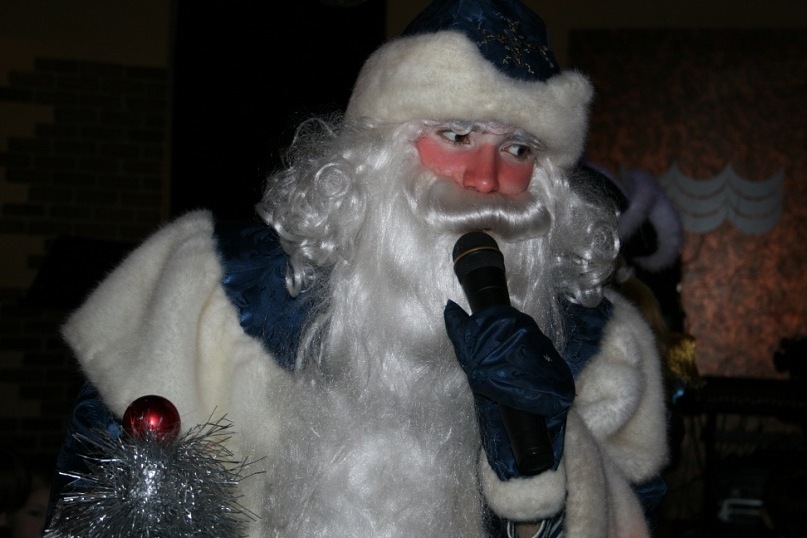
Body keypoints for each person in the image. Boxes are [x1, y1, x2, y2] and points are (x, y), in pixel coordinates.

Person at [47, 0, 668, 536]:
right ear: (380, 148)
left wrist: (545, 453)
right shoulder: (216, 286)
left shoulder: (599, 346)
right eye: (456, 136)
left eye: (518, 148)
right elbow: (100, 485)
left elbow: (629, 514)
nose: (485, 179)